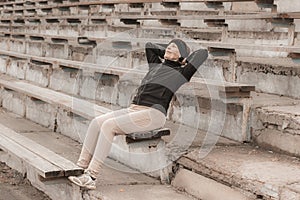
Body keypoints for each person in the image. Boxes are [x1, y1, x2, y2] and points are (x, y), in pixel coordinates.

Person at [68, 39, 208, 190]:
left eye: (174, 47)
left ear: (182, 55)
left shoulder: (181, 73)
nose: (168, 48)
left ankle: (91, 176)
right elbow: (150, 46)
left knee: (109, 126)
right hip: (134, 109)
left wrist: (182, 60)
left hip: (153, 114)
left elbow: (202, 53)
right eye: (168, 45)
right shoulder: (156, 65)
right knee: (96, 122)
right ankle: (80, 167)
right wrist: (169, 53)